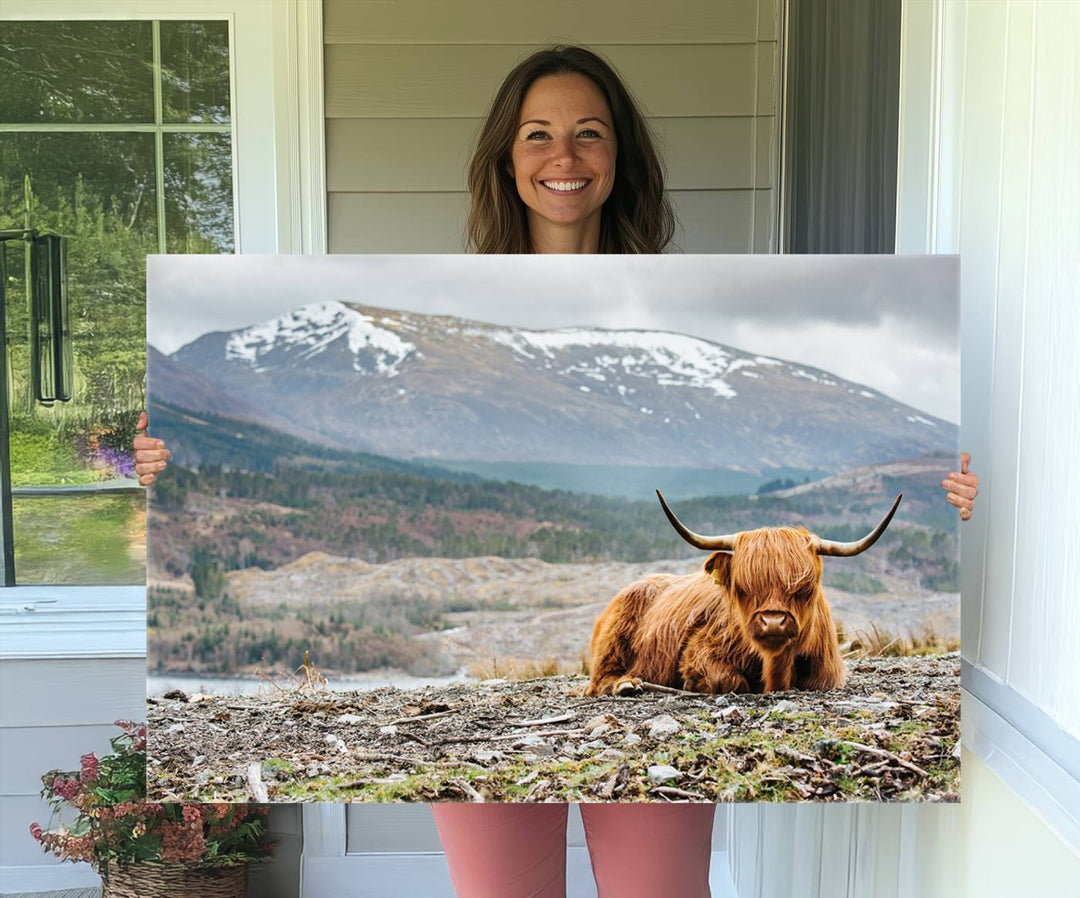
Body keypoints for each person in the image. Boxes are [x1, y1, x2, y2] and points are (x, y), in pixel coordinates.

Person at [134, 45, 978, 898]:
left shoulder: (698, 301)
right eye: (537, 135)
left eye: (589, 134)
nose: (563, 157)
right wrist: (166, 467)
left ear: (621, 158)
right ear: (506, 157)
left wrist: (958, 493)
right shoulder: (446, 304)